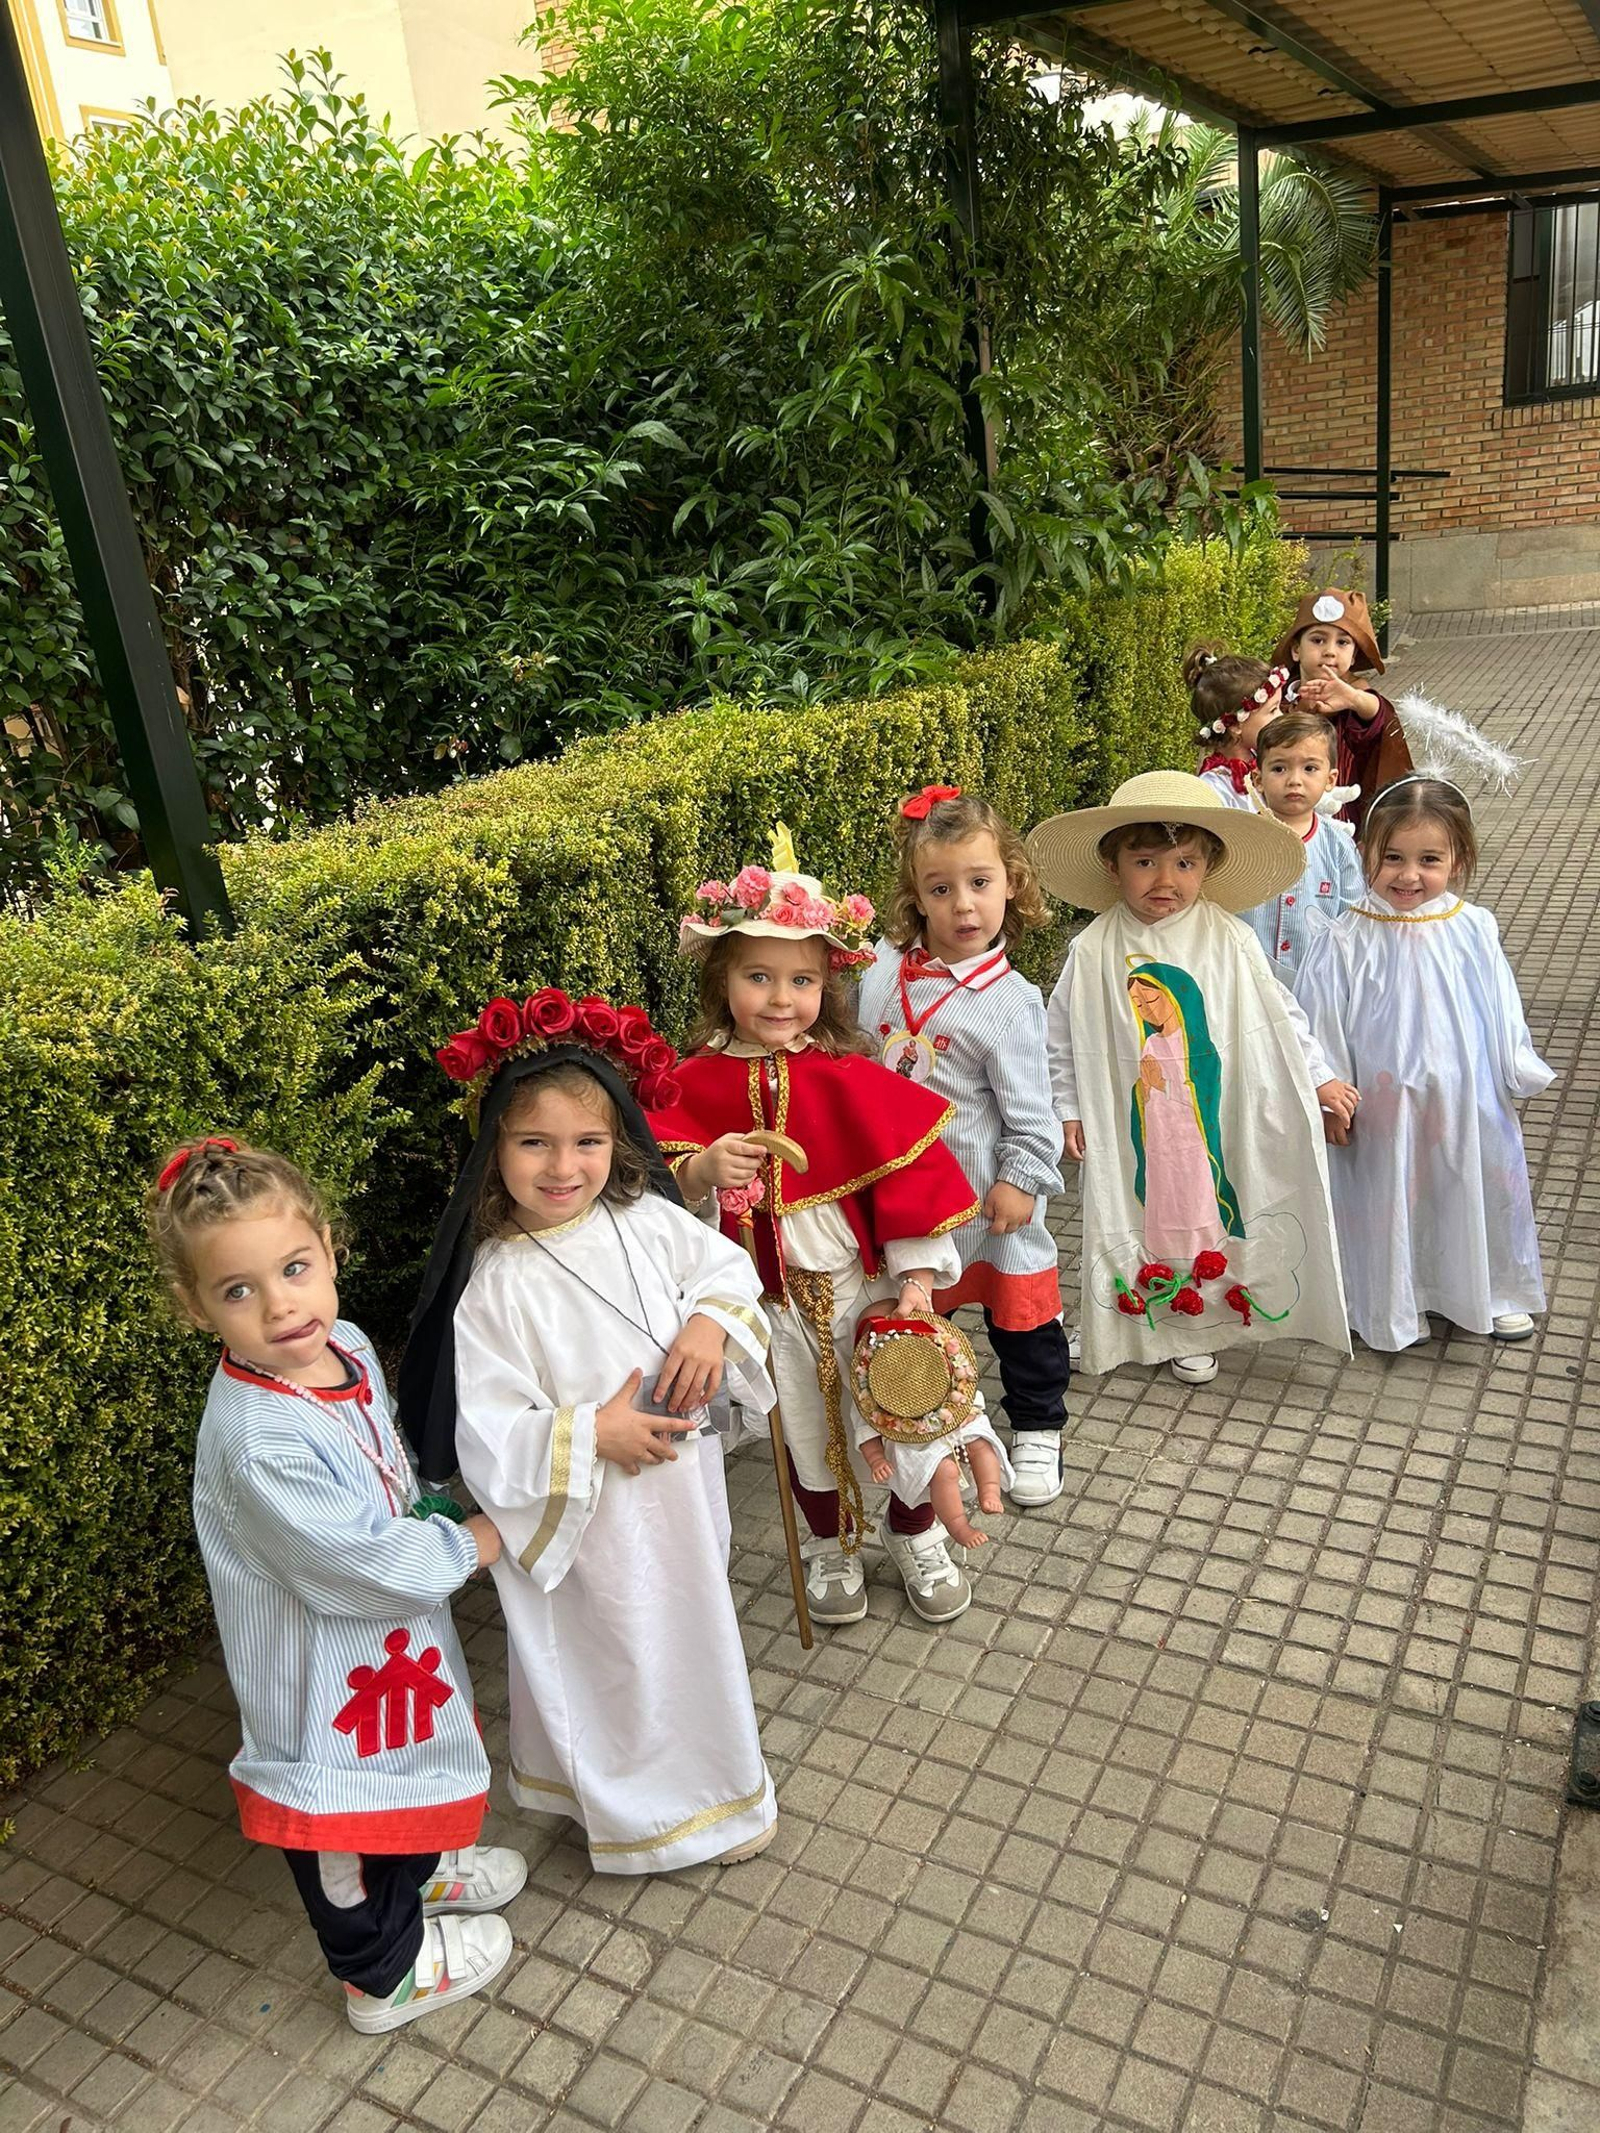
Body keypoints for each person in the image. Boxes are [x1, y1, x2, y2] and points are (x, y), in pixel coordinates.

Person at [399, 988, 780, 1873]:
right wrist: (590, 1433)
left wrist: (709, 1324)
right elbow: (488, 1429)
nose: (563, 1166)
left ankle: (721, 1791)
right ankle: (635, 1813)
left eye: (588, 1142)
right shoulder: (494, 1285)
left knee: (690, 1636)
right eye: (534, 1142)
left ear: (618, 1141)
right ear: (493, 1148)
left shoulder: (644, 1218)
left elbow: (724, 1269)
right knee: (616, 1652)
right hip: (592, 1517)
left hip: (679, 1495)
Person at [149, 1139, 525, 2036]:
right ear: (196, 1306)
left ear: (328, 1248)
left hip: (388, 1642)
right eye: (238, 1290)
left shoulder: (344, 1344)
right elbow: (361, 1562)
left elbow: (379, 1454)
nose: (281, 1304)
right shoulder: (259, 1441)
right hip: (319, 1670)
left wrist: (425, 1500)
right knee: (340, 1822)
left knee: (411, 1758)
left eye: (294, 1268)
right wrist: (474, 1539)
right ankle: (381, 1976)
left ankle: (423, 1871)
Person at [649, 829, 995, 1627]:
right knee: (805, 1432)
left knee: (901, 1416)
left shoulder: (848, 1076)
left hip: (862, 1291)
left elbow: (906, 1180)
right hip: (767, 1303)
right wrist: (700, 1171)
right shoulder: (690, 1080)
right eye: (759, 977)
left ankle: (913, 1531)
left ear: (825, 986)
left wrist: (915, 1282)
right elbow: (657, 1195)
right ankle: (829, 1541)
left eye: (801, 980)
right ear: (722, 979)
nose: (781, 998)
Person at [1034, 771, 1357, 1386]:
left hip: (1203, 1115)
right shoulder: (1094, 948)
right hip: (1133, 1117)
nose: (1166, 880)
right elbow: (1062, 1037)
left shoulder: (1228, 938)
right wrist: (1067, 1106)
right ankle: (1121, 1320)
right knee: (1134, 1208)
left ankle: (1199, 1325)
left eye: (1184, 863)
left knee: (1200, 1206)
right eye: (1145, 862)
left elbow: (1278, 1015)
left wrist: (1317, 1076)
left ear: (1208, 866)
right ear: (1112, 866)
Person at [856, 783, 1073, 1510]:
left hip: (987, 1197)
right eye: (941, 888)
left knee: (1022, 1317)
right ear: (916, 897)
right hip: (908, 1199)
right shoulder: (884, 970)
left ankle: (1037, 1422)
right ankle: (936, 1422)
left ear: (1012, 882)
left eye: (980, 882)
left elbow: (1033, 1110)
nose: (963, 906)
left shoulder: (1010, 1001)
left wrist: (1023, 1177)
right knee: (921, 1316)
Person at [1294, 775, 1553, 1351]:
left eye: (1429, 860)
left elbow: (1499, 1004)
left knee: (1468, 1186)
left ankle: (1489, 1291)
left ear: (1458, 858)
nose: (1408, 875)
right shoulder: (1344, 937)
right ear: (1366, 852)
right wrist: (1326, 1090)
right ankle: (1391, 1298)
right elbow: (1320, 1021)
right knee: (1390, 1195)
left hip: (1465, 1099)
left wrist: (1513, 1066)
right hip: (1381, 1107)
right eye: (1392, 857)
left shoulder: (1472, 928)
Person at [1273, 587, 1412, 830]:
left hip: (1341, 824)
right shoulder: (1277, 697)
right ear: (1296, 650)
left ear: (1354, 654)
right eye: (1318, 640)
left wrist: (1353, 698)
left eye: (1343, 642)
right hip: (1283, 821)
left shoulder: (1354, 703)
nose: (1330, 651)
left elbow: (1380, 717)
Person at [1243, 710, 1365, 977]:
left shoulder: (1339, 848)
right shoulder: (1240, 842)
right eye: (1279, 768)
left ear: (1330, 779)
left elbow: (1353, 919)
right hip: (1247, 981)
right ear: (1258, 779)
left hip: (1315, 982)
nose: (1294, 780)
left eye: (1310, 768)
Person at [1186, 644, 1289, 809]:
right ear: (1235, 725)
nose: (1281, 717)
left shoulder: (1265, 760)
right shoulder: (1215, 787)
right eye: (1272, 710)